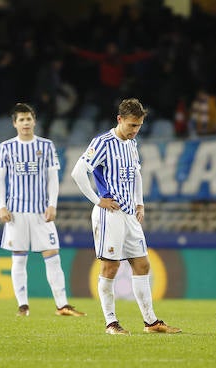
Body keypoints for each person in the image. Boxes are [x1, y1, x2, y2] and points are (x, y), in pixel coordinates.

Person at [70, 98, 181, 335]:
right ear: (119, 119)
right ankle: (111, 323)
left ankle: (151, 322)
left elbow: (137, 174)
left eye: (138, 126)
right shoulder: (102, 143)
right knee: (110, 268)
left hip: (130, 214)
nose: (135, 130)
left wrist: (140, 202)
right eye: (131, 125)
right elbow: (78, 172)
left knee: (142, 264)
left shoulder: (132, 144)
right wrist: (97, 200)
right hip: (110, 213)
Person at [0, 103, 85, 318]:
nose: (25, 123)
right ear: (15, 123)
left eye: (28, 119)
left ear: (34, 121)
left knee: (53, 255)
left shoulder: (46, 146)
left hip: (41, 212)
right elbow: (0, 179)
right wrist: (1, 206)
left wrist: (53, 204)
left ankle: (62, 305)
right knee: (19, 258)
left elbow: (53, 177)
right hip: (15, 212)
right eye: (21, 120)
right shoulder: (6, 147)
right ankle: (23, 306)